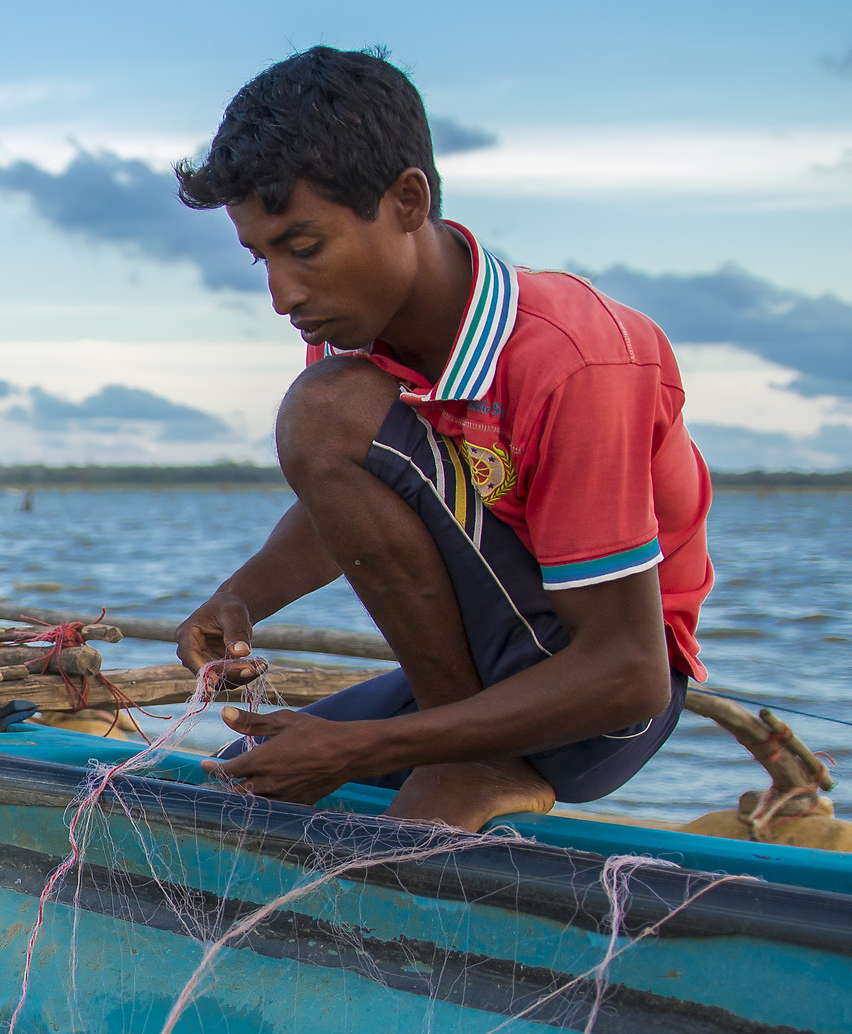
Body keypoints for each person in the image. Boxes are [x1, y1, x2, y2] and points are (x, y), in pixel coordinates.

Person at [171, 47, 715, 830]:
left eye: (305, 247)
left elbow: (630, 675)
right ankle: (454, 755)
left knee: (324, 409)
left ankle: (469, 766)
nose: (282, 294)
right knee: (242, 778)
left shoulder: (575, 358)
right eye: (263, 258)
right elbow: (363, 504)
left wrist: (359, 749)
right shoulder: (357, 333)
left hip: (599, 708)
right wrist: (239, 598)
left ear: (407, 200)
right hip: (487, 681)